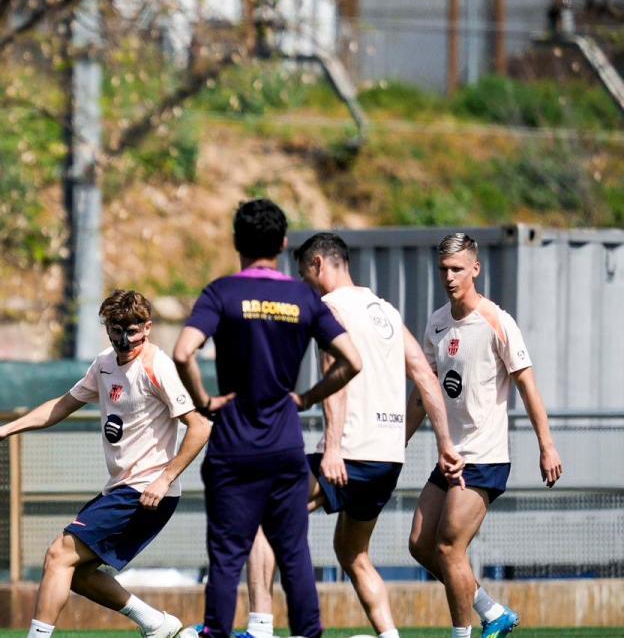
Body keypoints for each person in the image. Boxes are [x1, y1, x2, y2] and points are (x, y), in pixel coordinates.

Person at [237, 233, 465, 638]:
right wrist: (445, 445)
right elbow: (426, 377)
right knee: (352, 551)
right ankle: (389, 635)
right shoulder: (386, 311)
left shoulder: (329, 307)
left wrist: (332, 449)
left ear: (319, 264)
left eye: (305, 274)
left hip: (351, 450)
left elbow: (335, 378)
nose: (305, 284)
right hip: (387, 457)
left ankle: (259, 629)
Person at [171, 199, 362, 638]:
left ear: (236, 241)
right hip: (284, 448)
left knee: (226, 557)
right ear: (282, 243)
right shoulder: (303, 297)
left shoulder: (221, 293)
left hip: (232, 448)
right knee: (293, 552)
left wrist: (204, 401)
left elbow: (182, 353)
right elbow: (351, 361)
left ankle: (216, 633)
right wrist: (308, 397)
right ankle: (308, 634)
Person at [0, 290, 212, 638]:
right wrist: (8, 428)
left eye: (132, 331)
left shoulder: (157, 366)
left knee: (58, 555)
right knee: (77, 572)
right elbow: (62, 405)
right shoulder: (104, 364)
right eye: (116, 331)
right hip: (121, 488)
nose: (124, 340)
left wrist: (164, 479)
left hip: (145, 491)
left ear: (147, 328)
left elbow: (201, 426)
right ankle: (157, 624)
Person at [405, 233, 563, 638]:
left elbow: (528, 386)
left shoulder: (497, 321)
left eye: (457, 269)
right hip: (451, 456)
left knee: (448, 548)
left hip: (484, 456)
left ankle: (463, 635)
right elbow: (425, 392)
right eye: (444, 269)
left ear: (475, 269)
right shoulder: (437, 323)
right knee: (421, 544)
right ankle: (492, 612)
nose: (449, 277)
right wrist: (398, 439)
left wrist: (546, 446)